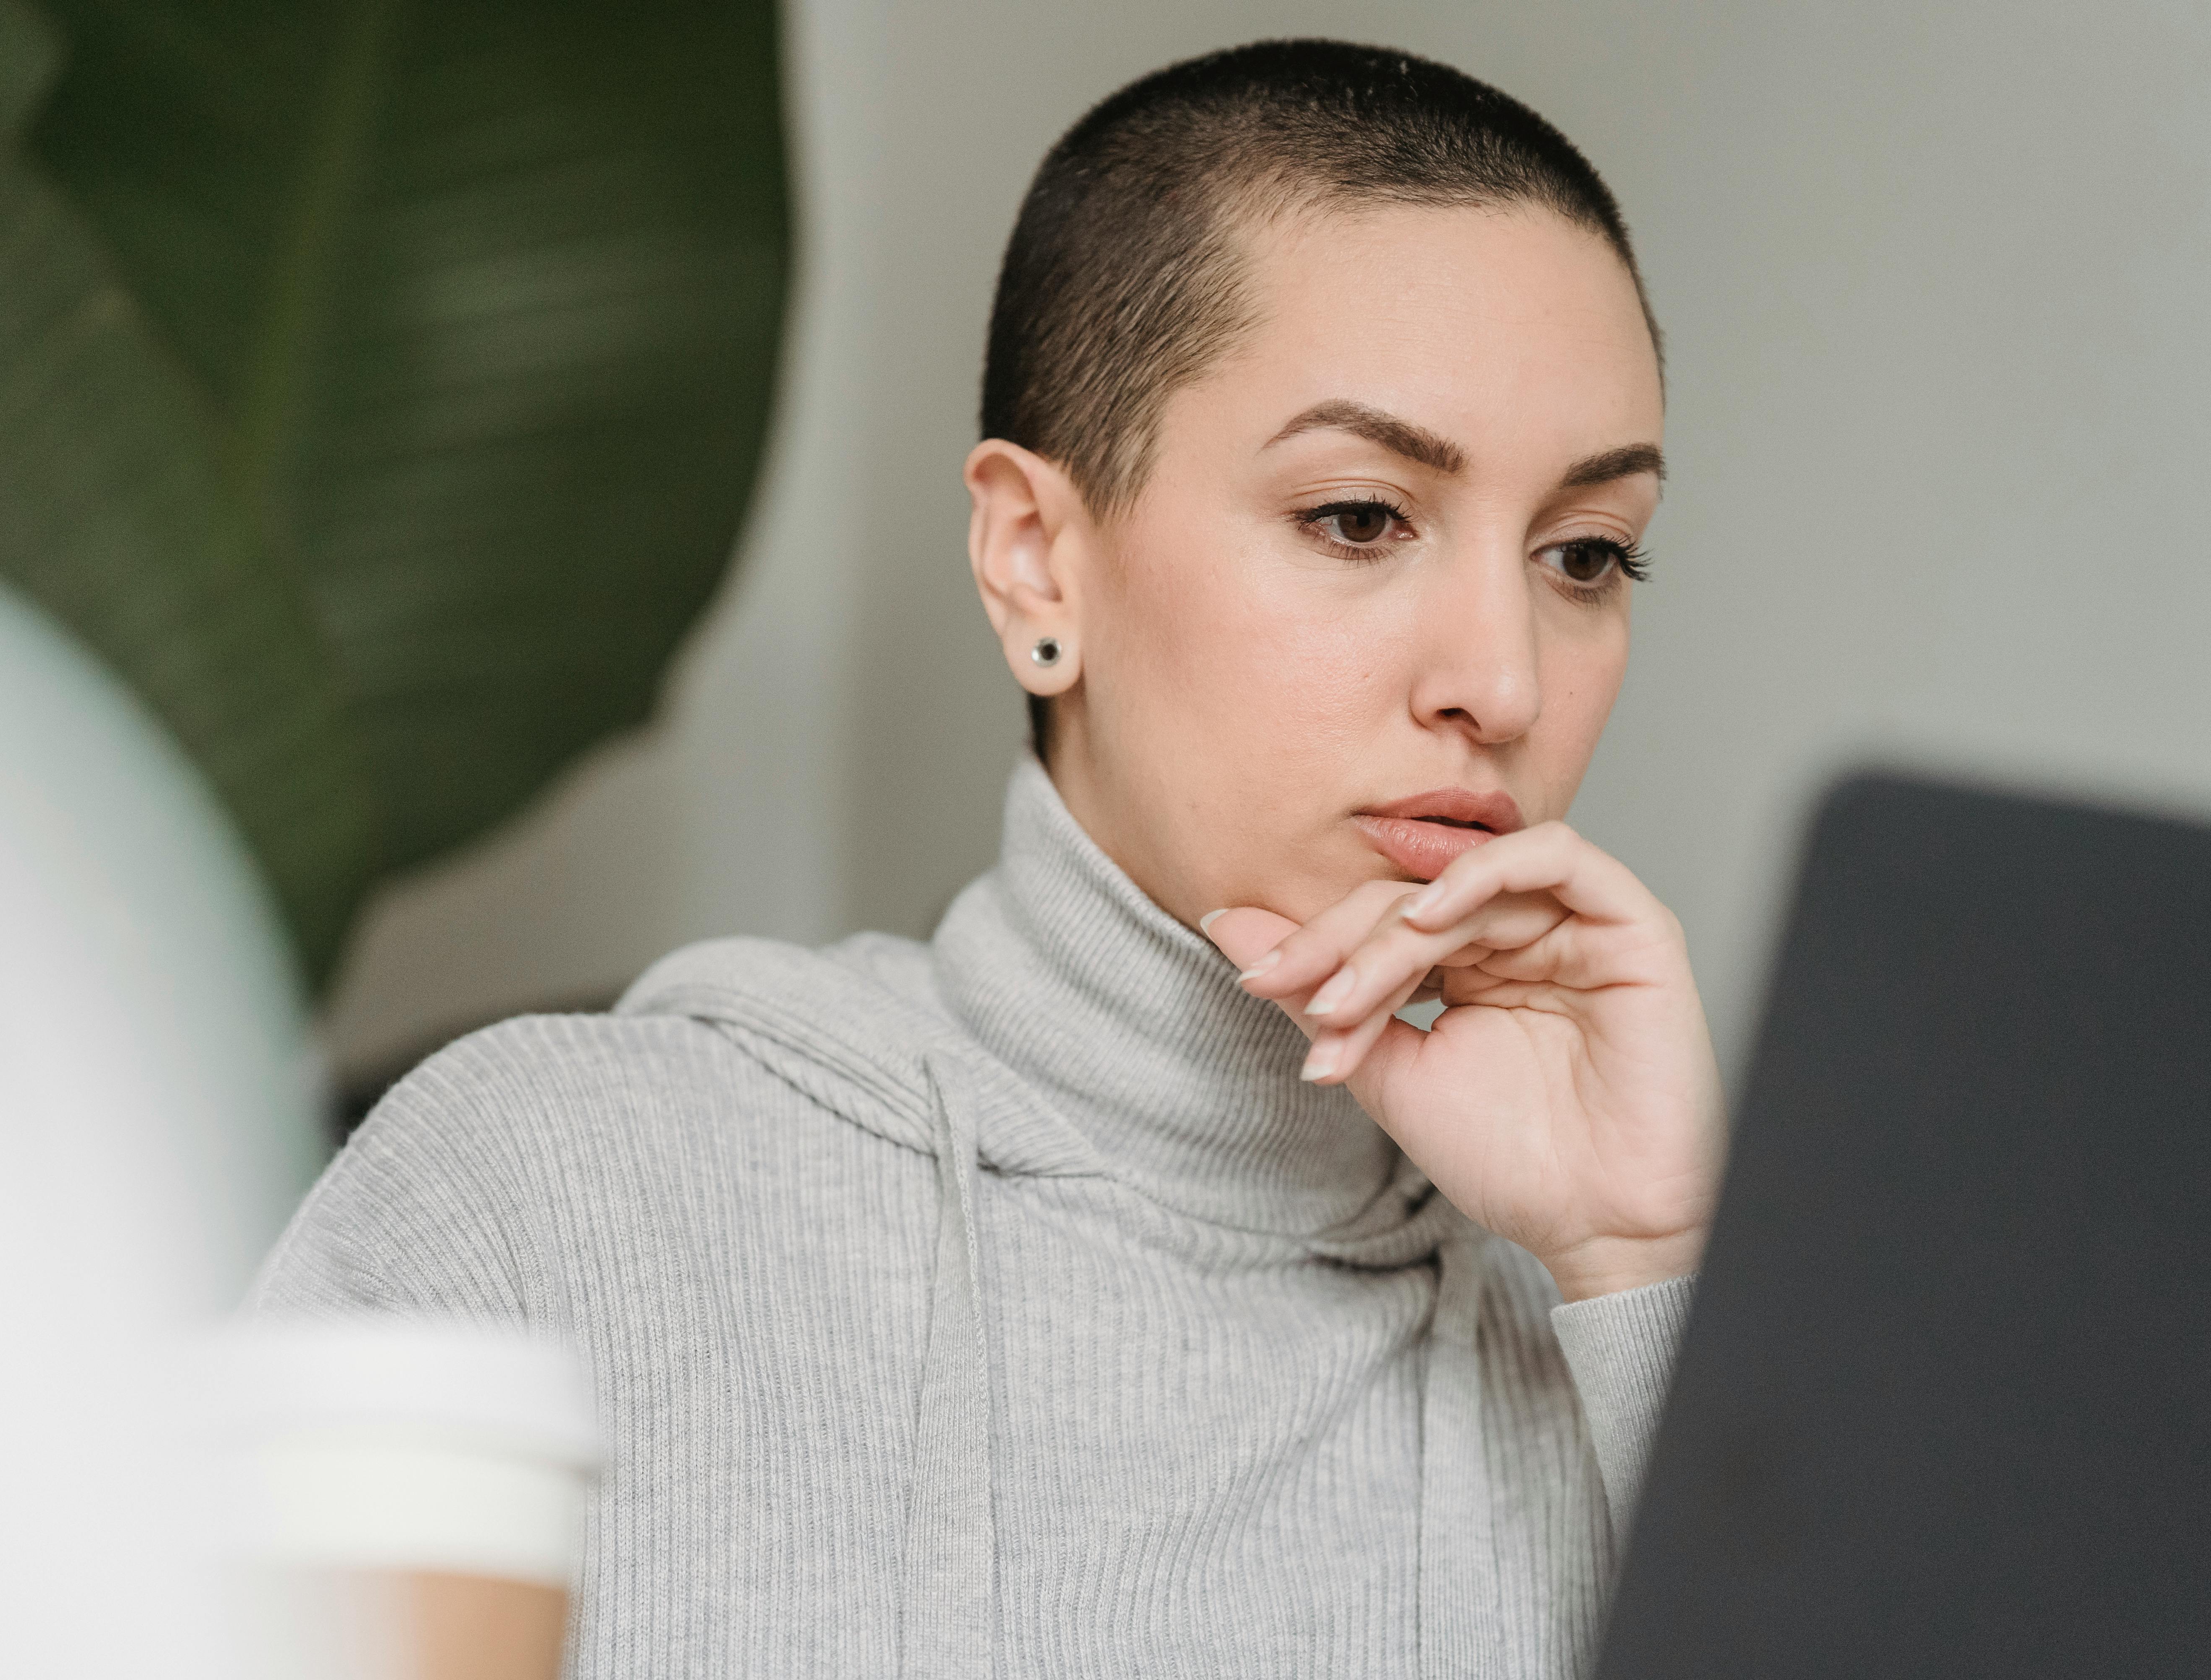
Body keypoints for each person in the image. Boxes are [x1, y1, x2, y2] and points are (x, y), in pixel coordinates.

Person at [258, 38, 1724, 1680]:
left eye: (1585, 555)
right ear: (1037, 561)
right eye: (1360, 519)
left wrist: (1652, 1269)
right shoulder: (547, 1197)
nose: (1504, 680)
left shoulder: (1628, 1348)